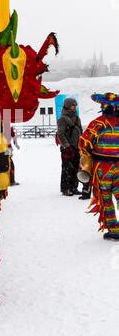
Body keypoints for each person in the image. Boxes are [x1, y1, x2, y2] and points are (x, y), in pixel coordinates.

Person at [79, 93, 119, 240]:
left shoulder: (98, 123)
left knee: (106, 199)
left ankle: (114, 230)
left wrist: (88, 156)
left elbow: (83, 143)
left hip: (102, 168)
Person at [57, 97, 83, 196]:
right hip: (67, 149)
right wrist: (67, 146)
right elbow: (60, 134)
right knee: (67, 168)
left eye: (75, 105)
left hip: (76, 147)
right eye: (73, 105)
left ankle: (74, 187)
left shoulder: (77, 118)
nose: (74, 107)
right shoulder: (63, 119)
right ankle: (66, 188)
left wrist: (82, 144)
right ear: (68, 105)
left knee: (76, 167)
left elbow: (81, 132)